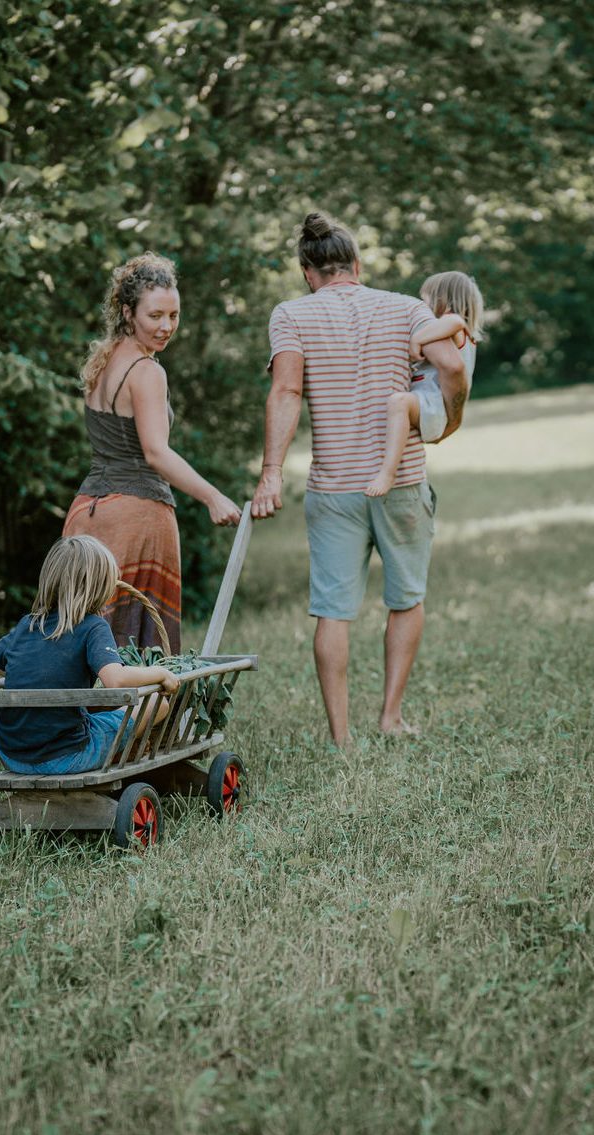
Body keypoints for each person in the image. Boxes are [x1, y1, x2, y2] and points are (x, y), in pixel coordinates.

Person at [251, 211, 469, 746]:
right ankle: (391, 717)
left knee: (333, 610)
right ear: (358, 265)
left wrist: (271, 474)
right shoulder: (405, 308)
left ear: (308, 271)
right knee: (406, 599)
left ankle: (342, 739)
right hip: (402, 480)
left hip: (333, 488)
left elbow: (285, 393)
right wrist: (451, 419)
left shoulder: (290, 315)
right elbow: (454, 368)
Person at [63, 252, 241, 654]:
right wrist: (213, 497)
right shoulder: (147, 372)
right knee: (137, 646)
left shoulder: (103, 362)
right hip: (136, 516)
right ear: (128, 312)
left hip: (87, 513)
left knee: (77, 632)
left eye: (174, 316)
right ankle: (136, 719)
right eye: (155, 316)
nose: (166, 327)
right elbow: (156, 454)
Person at [0, 535, 179, 775]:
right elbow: (114, 680)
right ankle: (117, 748)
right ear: (100, 587)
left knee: (93, 715)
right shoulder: (92, 626)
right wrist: (160, 673)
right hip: (68, 755)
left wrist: (36, 671)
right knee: (157, 704)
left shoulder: (28, 624)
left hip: (13, 755)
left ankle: (113, 748)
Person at [365, 271, 484, 497]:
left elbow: (455, 321)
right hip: (430, 406)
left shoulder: (457, 330)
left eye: (426, 299)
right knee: (399, 403)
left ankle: (388, 473)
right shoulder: (453, 334)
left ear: (445, 302)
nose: (421, 305)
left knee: (398, 402)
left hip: (435, 406)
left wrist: (417, 339)